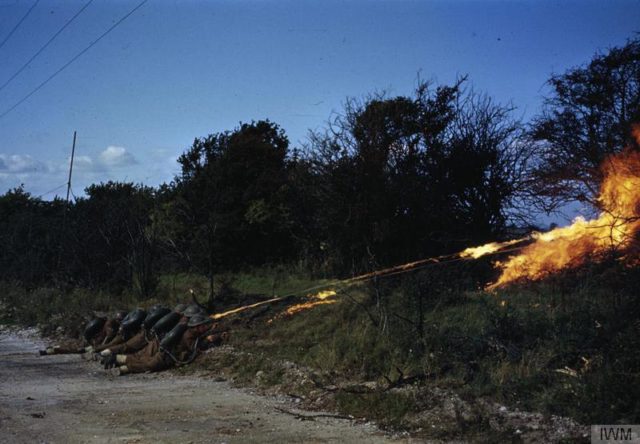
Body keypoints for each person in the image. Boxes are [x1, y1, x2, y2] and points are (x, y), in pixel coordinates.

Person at [107, 314, 227, 376]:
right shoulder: (188, 335)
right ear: (197, 327)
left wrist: (211, 329)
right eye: (202, 326)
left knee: (143, 358)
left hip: (167, 351)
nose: (204, 327)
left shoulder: (190, 331)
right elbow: (195, 348)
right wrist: (209, 339)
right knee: (148, 365)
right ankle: (124, 368)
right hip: (168, 355)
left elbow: (199, 336)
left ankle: (118, 359)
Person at [39, 311, 127, 356]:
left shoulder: (109, 321)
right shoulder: (111, 323)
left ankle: (53, 349)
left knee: (72, 346)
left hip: (93, 339)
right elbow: (108, 336)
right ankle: (52, 350)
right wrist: (99, 349)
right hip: (95, 341)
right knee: (75, 349)